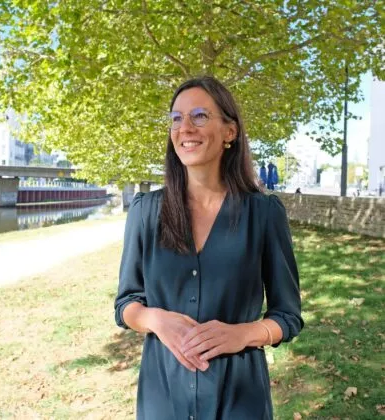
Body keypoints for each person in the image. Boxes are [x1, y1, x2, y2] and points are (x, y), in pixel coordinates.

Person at [114, 76, 304, 420]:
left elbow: (287, 316)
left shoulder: (264, 214)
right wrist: (153, 318)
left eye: (199, 116)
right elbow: (126, 303)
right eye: (176, 118)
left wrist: (244, 333)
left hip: (240, 398)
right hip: (162, 395)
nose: (184, 127)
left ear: (230, 131)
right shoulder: (144, 212)